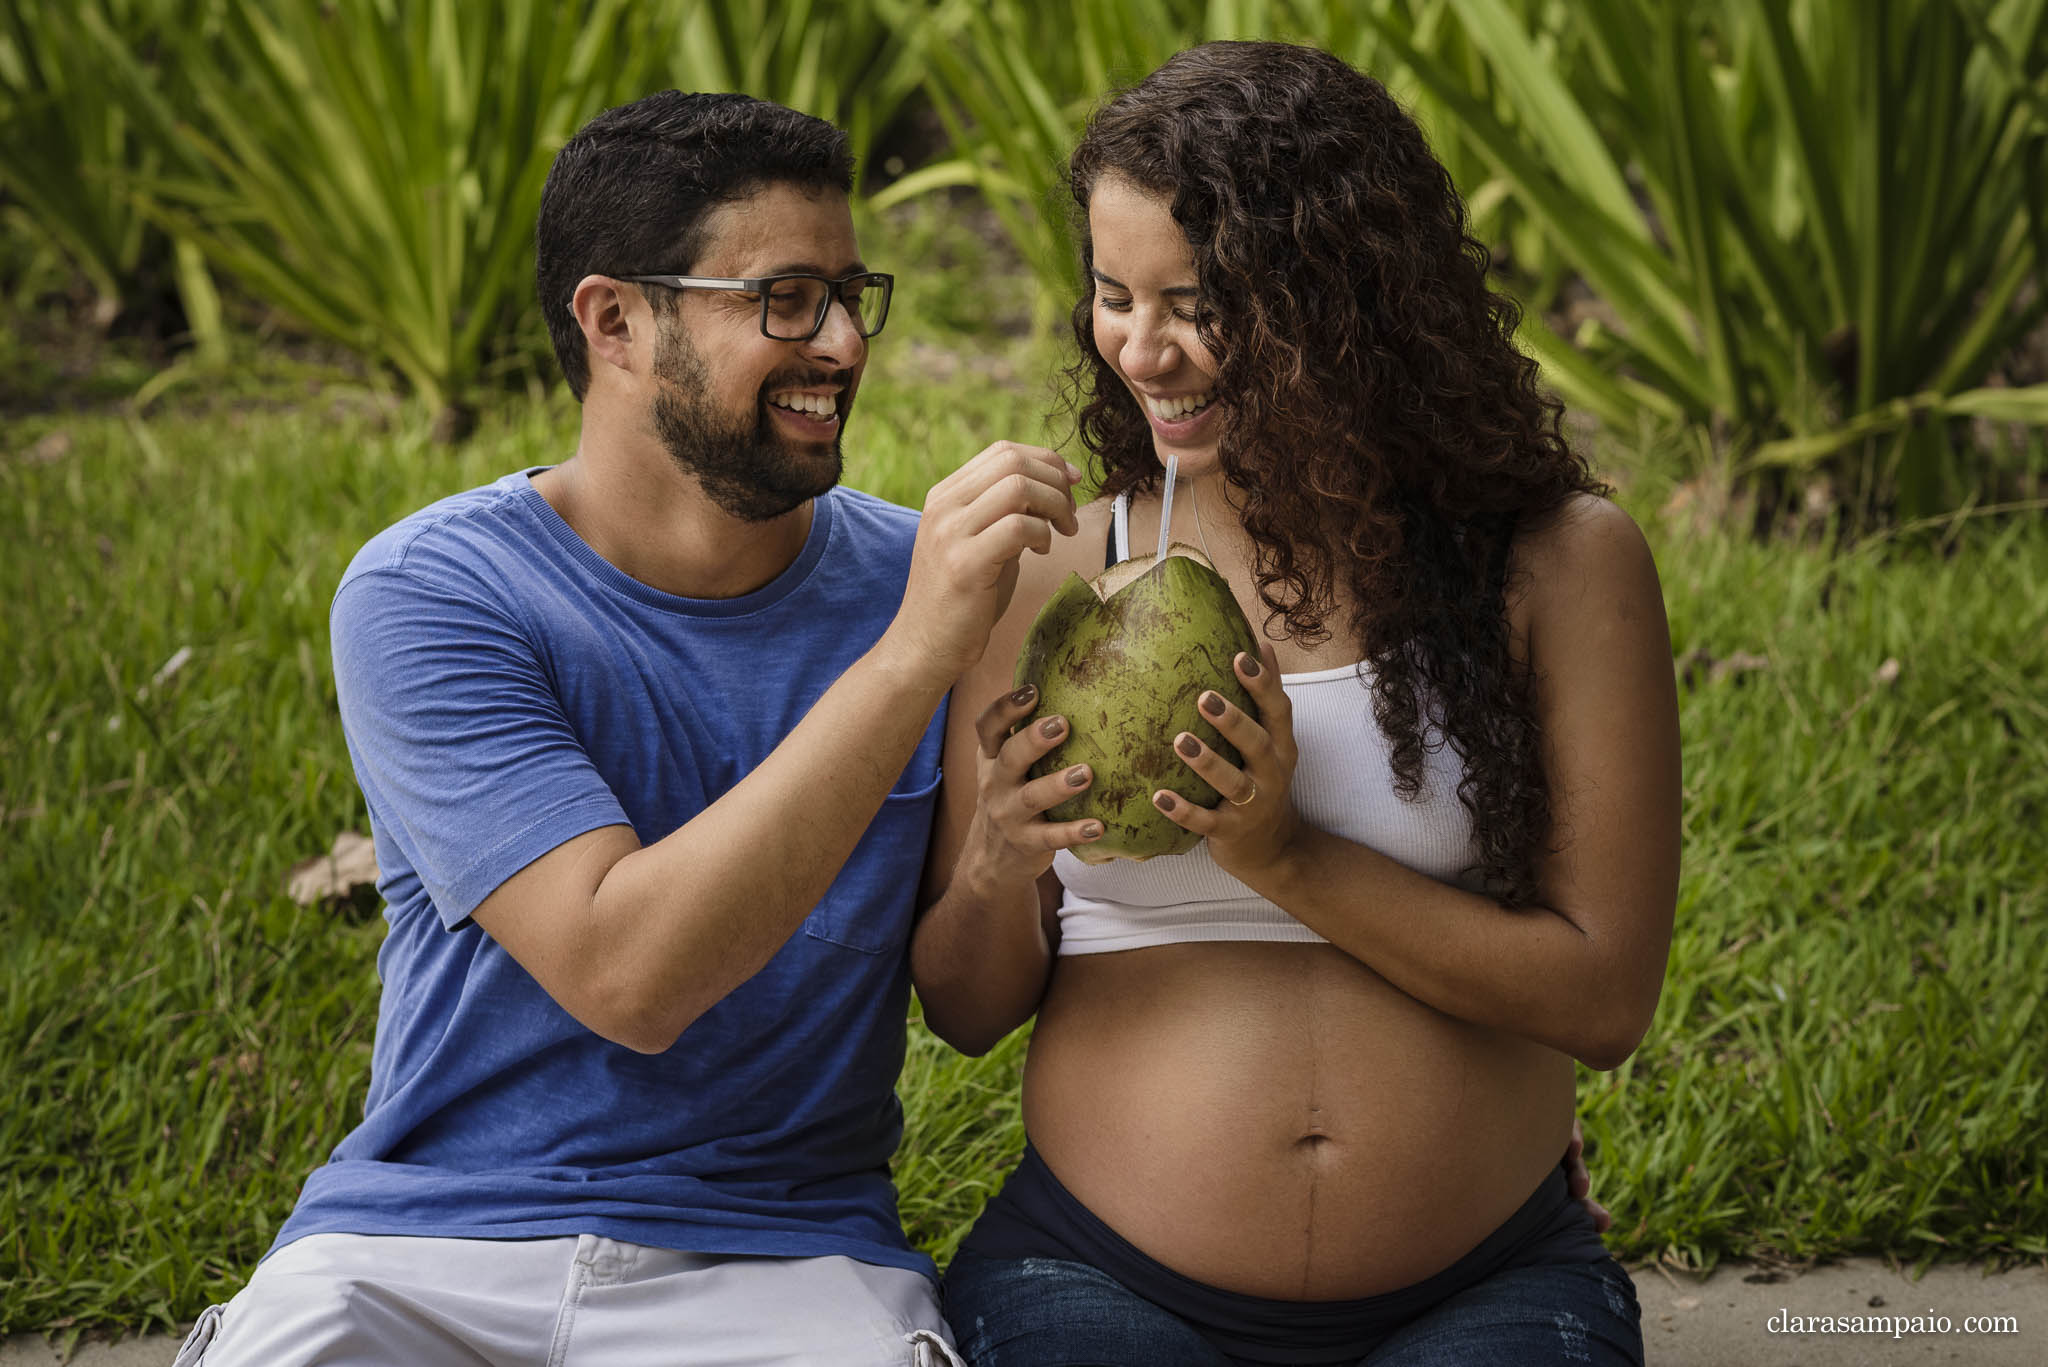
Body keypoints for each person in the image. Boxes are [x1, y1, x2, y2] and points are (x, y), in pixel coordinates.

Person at [172, 90, 1082, 1367]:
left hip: (784, 1262)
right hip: (423, 1254)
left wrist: (999, 854)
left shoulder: (922, 587)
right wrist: (911, 656)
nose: (839, 343)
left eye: (848, 292)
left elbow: (972, 1008)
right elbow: (627, 976)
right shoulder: (436, 592)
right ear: (613, 320)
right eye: (781, 298)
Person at [912, 42, 1679, 1366]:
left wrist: (1287, 856)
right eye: (1112, 295)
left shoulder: (1554, 561)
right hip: (1099, 1271)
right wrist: (994, 858)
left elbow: (1603, 997)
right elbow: (969, 1008)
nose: (1142, 349)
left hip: (1483, 1281)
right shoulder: (1058, 571)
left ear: (1345, 300)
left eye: (1198, 303)